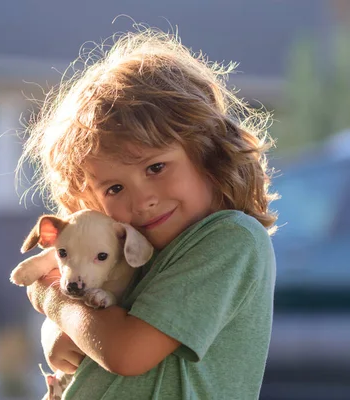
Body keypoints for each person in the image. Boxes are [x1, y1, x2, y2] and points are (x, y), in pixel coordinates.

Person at [18, 27, 278, 399]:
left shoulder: (230, 239)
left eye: (156, 168)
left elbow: (126, 353)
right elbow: (69, 346)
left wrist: (51, 296)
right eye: (115, 188)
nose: (141, 202)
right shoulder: (131, 255)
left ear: (207, 152)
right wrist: (63, 323)